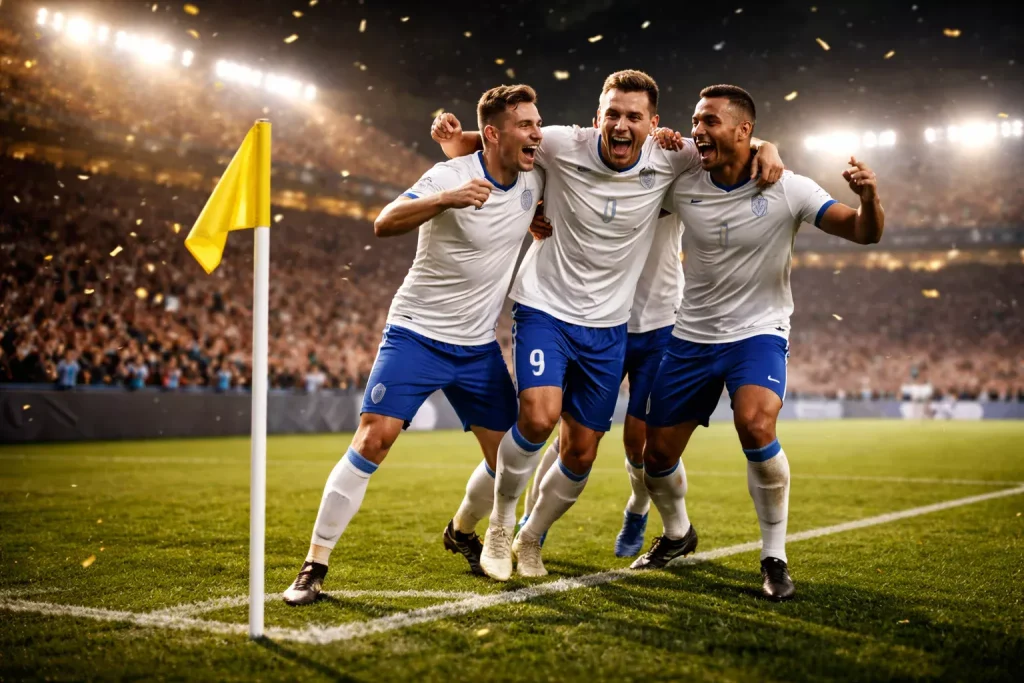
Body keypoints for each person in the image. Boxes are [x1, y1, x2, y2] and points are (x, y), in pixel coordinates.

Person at [432, 70, 784, 580]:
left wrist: (770, 149)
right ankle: (501, 526)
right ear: (596, 118)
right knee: (537, 417)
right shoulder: (561, 143)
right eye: (612, 114)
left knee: (587, 450)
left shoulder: (676, 157)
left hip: (621, 324)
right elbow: (495, 142)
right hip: (545, 306)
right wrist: (453, 139)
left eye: (634, 117)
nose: (621, 125)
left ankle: (536, 537)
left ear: (654, 124)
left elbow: (736, 143)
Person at [282, 84, 546, 605]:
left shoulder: (535, 179)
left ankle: (462, 531)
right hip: (417, 334)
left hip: (476, 346)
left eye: (539, 124)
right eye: (526, 125)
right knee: (373, 440)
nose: (537, 133)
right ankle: (314, 564)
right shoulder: (449, 176)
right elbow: (383, 223)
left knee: (509, 461)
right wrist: (446, 198)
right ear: (494, 134)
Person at [636, 85, 884, 601]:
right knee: (653, 457)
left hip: (758, 333)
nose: (697, 130)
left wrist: (869, 198)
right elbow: (615, 186)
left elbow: (863, 233)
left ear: (744, 130)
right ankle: (679, 534)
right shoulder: (683, 181)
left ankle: (774, 556)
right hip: (690, 337)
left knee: (754, 422)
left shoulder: (789, 188)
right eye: (694, 121)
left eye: (709, 121)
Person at [518, 212, 684, 558]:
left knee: (640, 440)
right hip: (604, 318)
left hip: (661, 321)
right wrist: (533, 207)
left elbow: (730, 166)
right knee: (571, 431)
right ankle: (532, 523)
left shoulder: (676, 161)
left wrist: (767, 152)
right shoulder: (604, 165)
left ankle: (637, 508)